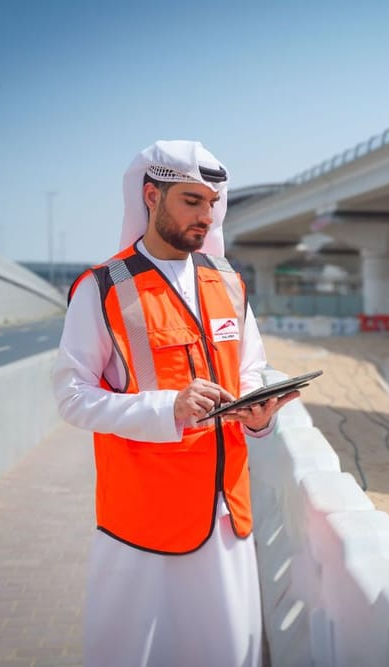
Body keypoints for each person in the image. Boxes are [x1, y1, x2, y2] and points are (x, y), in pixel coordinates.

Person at [53, 139, 296, 666]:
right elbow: (72, 397)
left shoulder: (229, 282)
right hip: (142, 520)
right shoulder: (103, 287)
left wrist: (259, 415)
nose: (205, 216)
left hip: (227, 514)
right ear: (150, 196)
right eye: (191, 201)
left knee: (229, 653)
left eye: (212, 203)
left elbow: (250, 370)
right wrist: (167, 409)